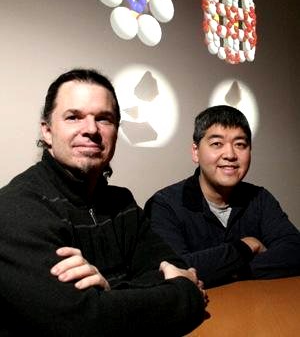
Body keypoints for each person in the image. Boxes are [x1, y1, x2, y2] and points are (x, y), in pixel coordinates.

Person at [0, 68, 207, 336]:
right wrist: (186, 294)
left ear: (116, 131)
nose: (91, 130)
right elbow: (82, 324)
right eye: (74, 117)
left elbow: (172, 266)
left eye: (104, 119)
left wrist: (107, 295)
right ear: (47, 131)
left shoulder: (122, 203)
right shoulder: (16, 209)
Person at [145, 105, 300, 288]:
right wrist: (248, 246)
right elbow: (174, 271)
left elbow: (294, 251)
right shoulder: (164, 205)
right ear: (196, 152)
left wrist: (232, 271)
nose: (230, 155)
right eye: (217, 144)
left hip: (257, 308)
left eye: (240, 144)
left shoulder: (259, 198)